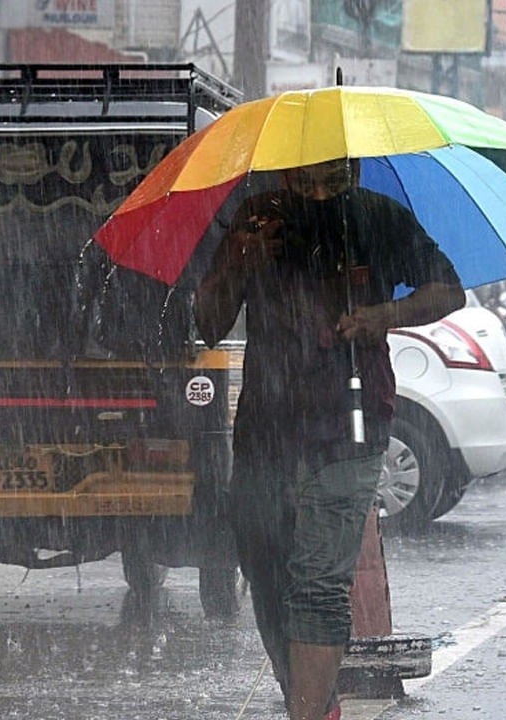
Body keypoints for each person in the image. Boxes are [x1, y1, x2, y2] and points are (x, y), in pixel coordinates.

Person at [194, 158, 465, 720]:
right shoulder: (257, 218)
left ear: (355, 169)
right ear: (285, 173)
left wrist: (383, 315)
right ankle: (315, 699)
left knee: (318, 582)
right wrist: (240, 264)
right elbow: (208, 322)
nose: (319, 192)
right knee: (266, 574)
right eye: (305, 178)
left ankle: (307, 712)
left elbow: (447, 292)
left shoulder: (378, 218)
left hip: (352, 421)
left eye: (333, 177)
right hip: (267, 427)